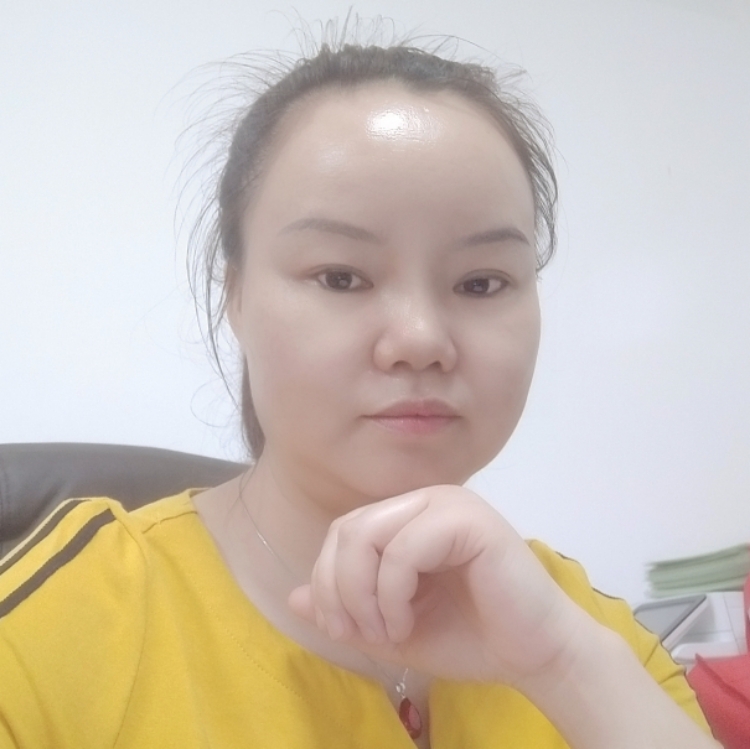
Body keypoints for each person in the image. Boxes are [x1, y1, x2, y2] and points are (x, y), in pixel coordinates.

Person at [0, 36, 719, 749]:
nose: (421, 338)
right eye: (341, 277)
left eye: (481, 282)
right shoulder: (67, 625)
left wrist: (564, 665)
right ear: (235, 296)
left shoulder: (594, 637)